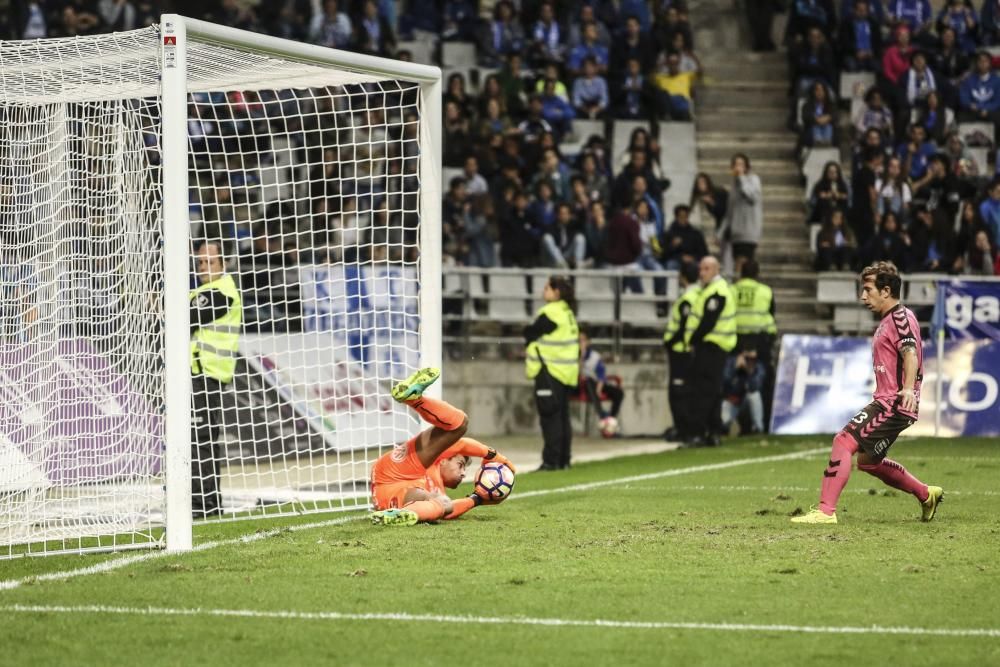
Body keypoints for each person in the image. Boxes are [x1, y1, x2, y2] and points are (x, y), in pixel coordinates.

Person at [793, 261, 943, 524]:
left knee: (843, 441)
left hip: (893, 403)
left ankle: (825, 512)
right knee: (868, 462)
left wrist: (907, 389)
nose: (863, 297)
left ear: (886, 291)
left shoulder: (899, 318)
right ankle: (925, 494)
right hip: (892, 402)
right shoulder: (891, 320)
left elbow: (910, 354)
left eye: (868, 289)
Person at [369, 367, 516, 526]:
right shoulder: (437, 457)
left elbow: (450, 511)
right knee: (459, 423)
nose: (463, 474)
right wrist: (495, 456)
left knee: (444, 505)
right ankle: (413, 398)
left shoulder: (437, 490)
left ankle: (403, 515)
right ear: (444, 459)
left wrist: (477, 499)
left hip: (390, 500)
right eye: (460, 465)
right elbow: (463, 444)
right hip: (396, 472)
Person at [190, 240, 243, 519]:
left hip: (207, 374)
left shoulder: (222, 292)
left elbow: (188, 318)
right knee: (198, 438)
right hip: (194, 374)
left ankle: (205, 503)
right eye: (200, 262)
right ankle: (203, 501)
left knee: (201, 438)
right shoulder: (200, 292)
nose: (203, 267)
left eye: (209, 262)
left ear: (223, 264)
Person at [525, 276, 580, 471]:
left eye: (547, 287)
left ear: (556, 292)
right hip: (567, 372)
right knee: (562, 416)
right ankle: (564, 460)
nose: (543, 290)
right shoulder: (568, 312)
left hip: (550, 370)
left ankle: (551, 461)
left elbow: (530, 333)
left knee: (550, 418)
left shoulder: (552, 312)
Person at [684, 256, 737, 447]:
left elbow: (708, 322)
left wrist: (692, 339)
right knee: (713, 391)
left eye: (706, 269)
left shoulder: (717, 291)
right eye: (701, 269)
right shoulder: (714, 290)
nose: (702, 272)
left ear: (716, 270)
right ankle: (713, 432)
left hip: (711, 347)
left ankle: (698, 433)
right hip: (716, 347)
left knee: (703, 392)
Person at [662, 261, 701, 442]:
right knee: (688, 390)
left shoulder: (687, 298)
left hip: (680, 351)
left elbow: (684, 325)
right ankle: (687, 428)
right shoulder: (699, 294)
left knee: (678, 392)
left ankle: (683, 429)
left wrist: (670, 341)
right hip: (689, 351)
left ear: (683, 276)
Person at [720, 153, 763, 276]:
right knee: (737, 263)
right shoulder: (734, 185)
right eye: (735, 164)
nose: (738, 167)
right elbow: (730, 211)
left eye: (741, 164)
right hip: (736, 231)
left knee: (743, 262)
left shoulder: (753, 179)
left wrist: (742, 177)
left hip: (749, 230)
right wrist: (721, 232)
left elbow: (752, 197)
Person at [731, 260, 777, 367]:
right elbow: (772, 312)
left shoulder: (731, 290)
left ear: (741, 273)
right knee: (763, 367)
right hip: (760, 337)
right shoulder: (766, 290)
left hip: (736, 336)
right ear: (757, 274)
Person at [578, 331, 624, 429]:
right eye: (579, 341)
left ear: (588, 342)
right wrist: (581, 356)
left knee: (618, 393)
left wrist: (599, 388)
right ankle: (602, 416)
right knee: (588, 381)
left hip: (595, 384)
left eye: (583, 340)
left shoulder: (595, 356)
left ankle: (610, 420)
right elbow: (577, 370)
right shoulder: (570, 354)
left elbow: (601, 373)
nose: (581, 343)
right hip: (577, 385)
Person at [720, 348, 766, 435]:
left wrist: (749, 372)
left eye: (752, 359)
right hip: (732, 400)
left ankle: (758, 429)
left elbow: (755, 387)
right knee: (724, 420)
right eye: (747, 358)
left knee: (755, 395)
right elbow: (724, 383)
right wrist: (735, 369)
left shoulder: (758, 366)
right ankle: (726, 427)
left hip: (747, 402)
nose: (750, 361)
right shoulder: (731, 362)